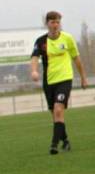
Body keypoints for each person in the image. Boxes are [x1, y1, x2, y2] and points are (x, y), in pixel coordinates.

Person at [29, 11, 89, 155]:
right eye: (52, 22)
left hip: (65, 79)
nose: (55, 25)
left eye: (57, 22)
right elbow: (34, 57)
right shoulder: (41, 41)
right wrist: (34, 71)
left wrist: (83, 77)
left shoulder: (67, 38)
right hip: (49, 81)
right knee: (55, 115)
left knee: (58, 110)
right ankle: (66, 140)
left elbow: (76, 59)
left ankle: (54, 145)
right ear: (47, 24)